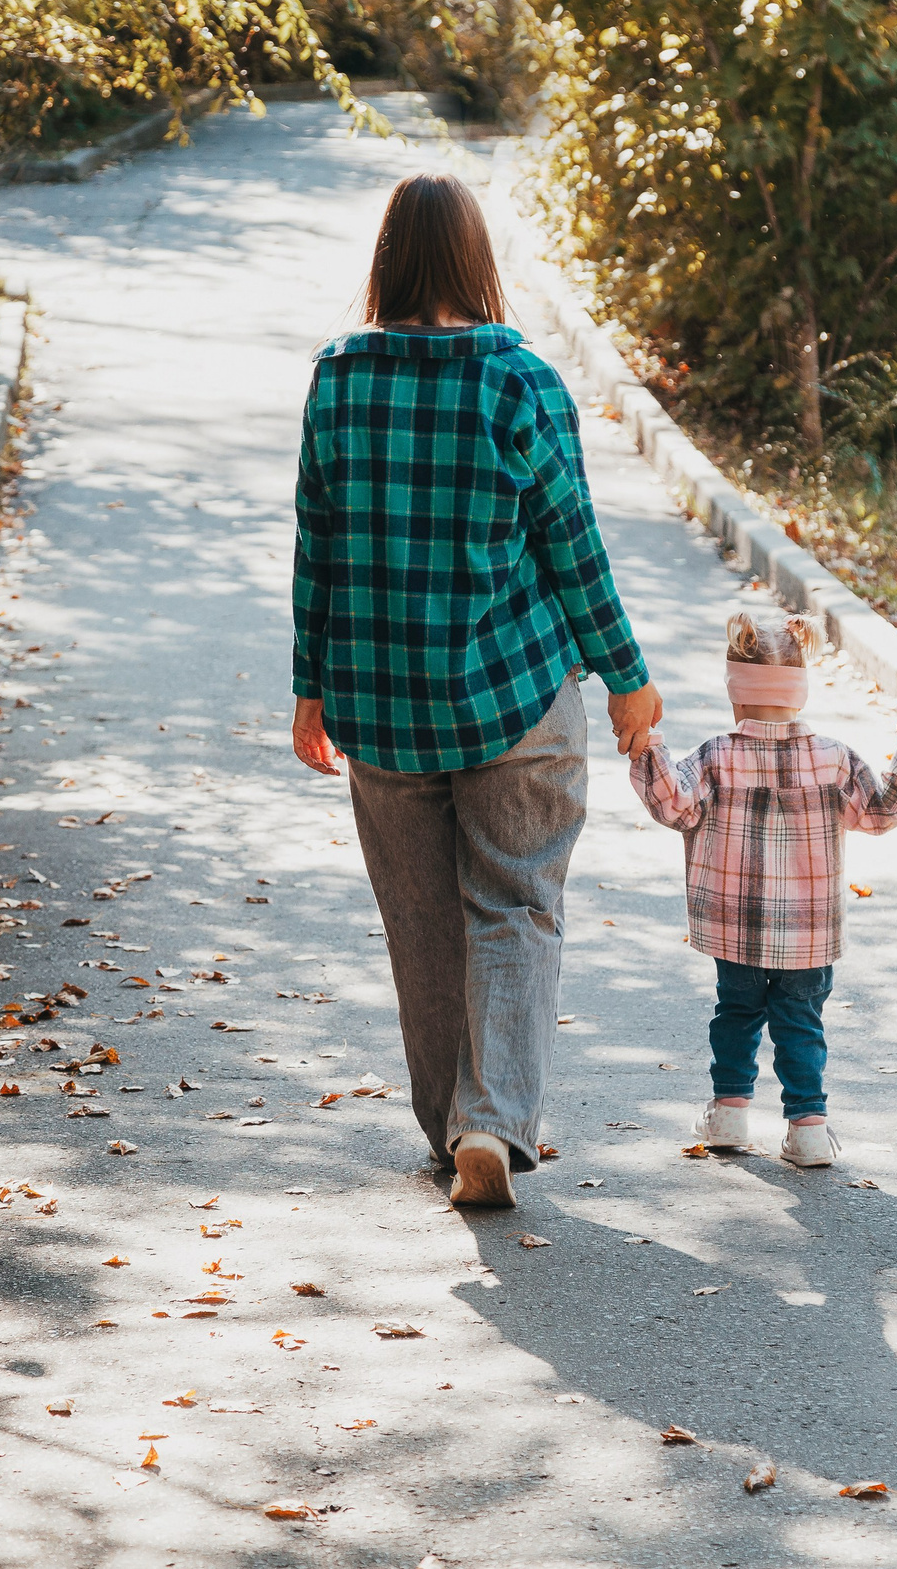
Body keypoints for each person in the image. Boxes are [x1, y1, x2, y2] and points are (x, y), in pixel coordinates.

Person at [289, 171, 663, 1212]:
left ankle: (446, 1128)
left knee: (419, 921)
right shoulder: (518, 380)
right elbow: (572, 546)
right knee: (515, 904)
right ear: (474, 261)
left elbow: (318, 542)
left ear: (388, 258)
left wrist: (310, 688)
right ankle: (489, 1122)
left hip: (380, 702)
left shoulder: (338, 376)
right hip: (515, 697)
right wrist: (626, 676)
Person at [630, 612, 897, 1167]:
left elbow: (671, 805)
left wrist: (648, 744)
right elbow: (881, 812)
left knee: (735, 1012)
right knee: (802, 1021)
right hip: (809, 933)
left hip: (735, 927)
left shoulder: (715, 755)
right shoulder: (832, 757)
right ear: (798, 693)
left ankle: (728, 1113)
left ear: (736, 697)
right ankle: (809, 1128)